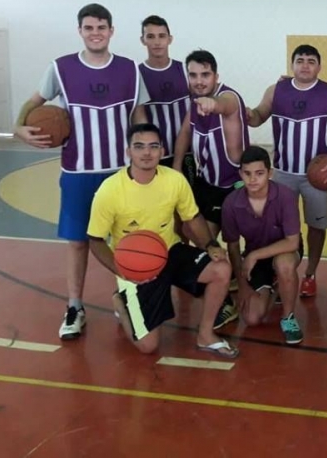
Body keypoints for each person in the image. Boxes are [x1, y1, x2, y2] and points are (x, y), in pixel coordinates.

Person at [13, 3, 149, 340]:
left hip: (121, 172)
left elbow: (140, 116)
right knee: (77, 242)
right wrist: (18, 126)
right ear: (80, 31)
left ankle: (130, 298)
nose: (95, 33)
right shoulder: (60, 68)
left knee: (126, 239)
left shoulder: (130, 70)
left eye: (101, 27)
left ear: (111, 31)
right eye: (89, 28)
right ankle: (75, 306)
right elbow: (33, 103)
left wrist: (146, 157)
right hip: (77, 171)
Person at [87, 123, 237, 358]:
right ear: (128, 152)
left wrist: (210, 244)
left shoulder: (174, 180)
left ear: (161, 150)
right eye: (139, 147)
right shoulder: (110, 190)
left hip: (170, 251)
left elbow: (193, 217)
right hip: (136, 265)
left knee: (221, 269)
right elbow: (95, 241)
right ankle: (121, 302)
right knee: (148, 346)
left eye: (153, 146)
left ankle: (206, 335)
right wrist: (122, 271)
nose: (146, 153)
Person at [248, 44, 327, 298]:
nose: (305, 65)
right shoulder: (276, 90)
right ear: (292, 64)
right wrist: (238, 110)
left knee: (316, 227)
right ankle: (280, 271)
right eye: (300, 60)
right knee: (280, 227)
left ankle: (311, 274)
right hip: (283, 173)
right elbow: (258, 116)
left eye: (311, 61)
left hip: (317, 176)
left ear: (319, 66)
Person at [172, 49, 250, 328]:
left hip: (234, 185)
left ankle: (238, 292)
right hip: (208, 183)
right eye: (193, 75)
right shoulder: (194, 103)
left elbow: (224, 105)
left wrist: (211, 102)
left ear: (216, 76)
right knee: (196, 236)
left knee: (224, 245)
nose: (199, 80)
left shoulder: (228, 98)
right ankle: (226, 285)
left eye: (205, 74)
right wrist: (178, 166)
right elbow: (185, 132)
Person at [221, 147, 304, 345]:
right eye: (247, 174)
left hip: (286, 251)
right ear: (240, 173)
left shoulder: (285, 196)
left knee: (283, 264)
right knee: (252, 319)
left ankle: (288, 317)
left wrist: (253, 255)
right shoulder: (231, 204)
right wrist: (241, 285)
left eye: (259, 173)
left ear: (270, 172)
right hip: (256, 258)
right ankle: (274, 286)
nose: (253, 180)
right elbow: (232, 247)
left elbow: (292, 242)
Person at [138, 15, 194, 181]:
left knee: (187, 204)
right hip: (153, 156)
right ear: (143, 40)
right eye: (151, 36)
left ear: (170, 39)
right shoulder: (137, 74)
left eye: (162, 36)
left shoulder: (184, 70)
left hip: (187, 154)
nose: (157, 42)